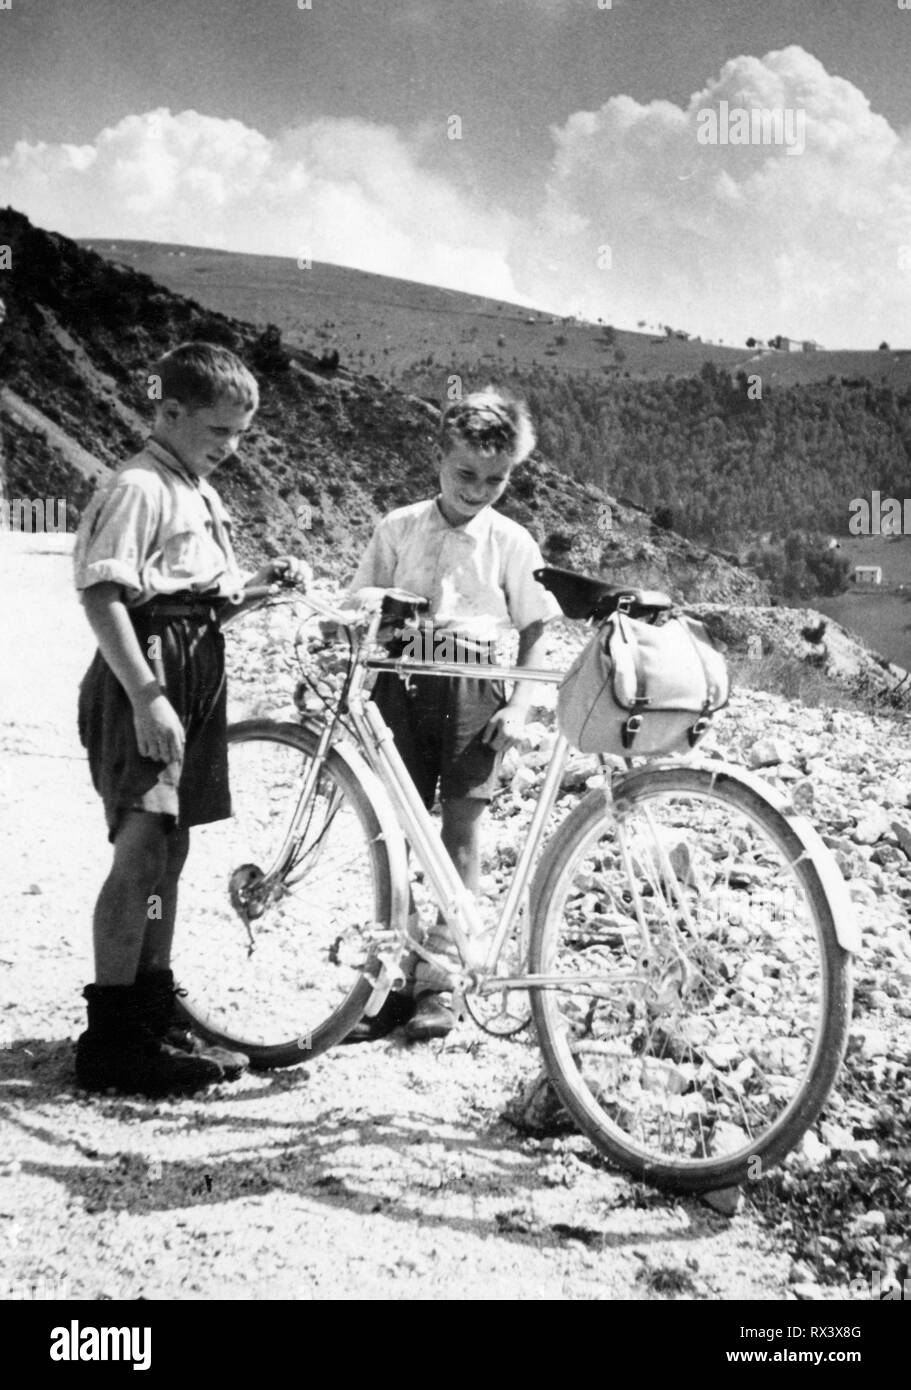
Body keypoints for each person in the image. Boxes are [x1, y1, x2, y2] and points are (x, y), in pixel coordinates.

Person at [73, 341, 308, 1097]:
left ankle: (151, 1001)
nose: (231, 451)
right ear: (169, 412)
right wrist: (146, 696)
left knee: (171, 852)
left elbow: (197, 594)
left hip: (193, 663)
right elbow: (104, 595)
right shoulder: (140, 485)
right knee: (141, 846)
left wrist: (259, 589)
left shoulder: (192, 486)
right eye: (219, 434)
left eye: (241, 436)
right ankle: (111, 1038)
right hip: (148, 673)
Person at [344, 387, 560, 1042]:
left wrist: (520, 706)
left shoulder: (511, 541)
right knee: (395, 834)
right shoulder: (398, 527)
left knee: (461, 829)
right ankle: (384, 985)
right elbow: (359, 602)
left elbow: (536, 628)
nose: (478, 489)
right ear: (437, 456)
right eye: (465, 473)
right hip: (400, 684)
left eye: (495, 479)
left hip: (474, 691)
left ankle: (441, 983)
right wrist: (371, 622)